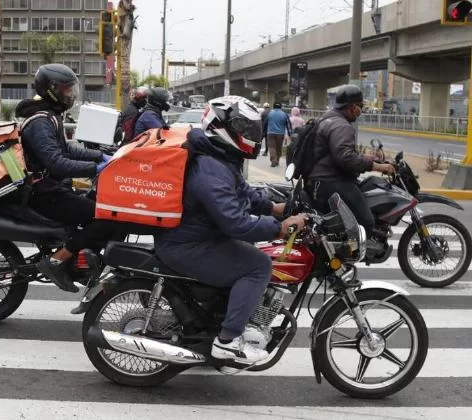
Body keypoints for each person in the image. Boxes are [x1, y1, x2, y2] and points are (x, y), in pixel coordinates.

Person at [154, 96, 308, 365]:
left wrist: (277, 208)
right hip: (187, 245)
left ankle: (222, 320)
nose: (250, 135)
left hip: (198, 237)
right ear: (223, 128)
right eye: (245, 129)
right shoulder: (210, 168)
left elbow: (244, 194)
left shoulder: (219, 158)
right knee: (258, 264)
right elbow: (235, 222)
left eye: (252, 130)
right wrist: (279, 228)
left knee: (250, 253)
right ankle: (228, 341)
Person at [15, 63, 111, 293]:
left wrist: (104, 155)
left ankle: (78, 259)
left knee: (97, 206)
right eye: (67, 90)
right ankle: (56, 262)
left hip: (52, 188)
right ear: (52, 89)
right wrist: (95, 168)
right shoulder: (40, 121)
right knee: (105, 217)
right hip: (44, 193)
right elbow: (56, 162)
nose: (71, 94)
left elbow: (67, 151)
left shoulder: (49, 116)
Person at [307, 84, 395, 256]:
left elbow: (340, 153)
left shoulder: (328, 119)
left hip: (321, 180)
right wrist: (377, 166)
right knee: (366, 221)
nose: (361, 111)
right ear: (352, 106)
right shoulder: (341, 126)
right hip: (330, 182)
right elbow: (345, 157)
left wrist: (374, 159)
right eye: (360, 106)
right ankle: (347, 257)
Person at [263, 102, 292, 167]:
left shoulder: (270, 113)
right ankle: (277, 160)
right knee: (278, 148)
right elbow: (288, 125)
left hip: (270, 133)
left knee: (272, 147)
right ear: (281, 107)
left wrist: (263, 132)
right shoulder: (284, 114)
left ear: (273, 107)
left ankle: (273, 160)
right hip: (280, 134)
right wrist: (290, 134)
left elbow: (265, 123)